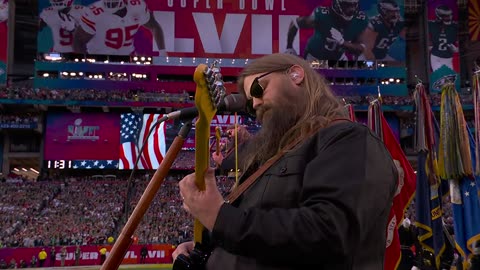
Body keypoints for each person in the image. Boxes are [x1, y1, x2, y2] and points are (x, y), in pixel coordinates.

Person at [174, 53, 398, 269]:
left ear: (295, 75)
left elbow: (328, 233)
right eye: (251, 101)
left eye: (258, 89)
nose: (256, 103)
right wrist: (214, 249)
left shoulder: (348, 139)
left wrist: (220, 218)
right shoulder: (276, 153)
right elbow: (261, 242)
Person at [73, 0, 167, 56]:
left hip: (127, 59)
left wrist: (162, 52)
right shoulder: (94, 12)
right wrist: (85, 64)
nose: (110, 4)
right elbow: (78, 40)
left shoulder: (137, 6)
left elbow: (154, 26)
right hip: (99, 58)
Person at [285, 0, 369, 61]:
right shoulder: (323, 15)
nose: (352, 9)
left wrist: (342, 42)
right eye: (347, 5)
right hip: (314, 58)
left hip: (339, 59)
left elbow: (360, 48)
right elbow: (295, 23)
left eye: (354, 5)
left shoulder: (360, 19)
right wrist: (289, 47)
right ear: (337, 3)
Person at [428, 4, 458, 71]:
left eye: (450, 15)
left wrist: (457, 49)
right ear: (440, 17)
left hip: (449, 58)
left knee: (450, 79)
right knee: (441, 77)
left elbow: (462, 42)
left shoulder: (455, 27)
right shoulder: (432, 25)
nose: (450, 17)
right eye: (447, 16)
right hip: (436, 57)